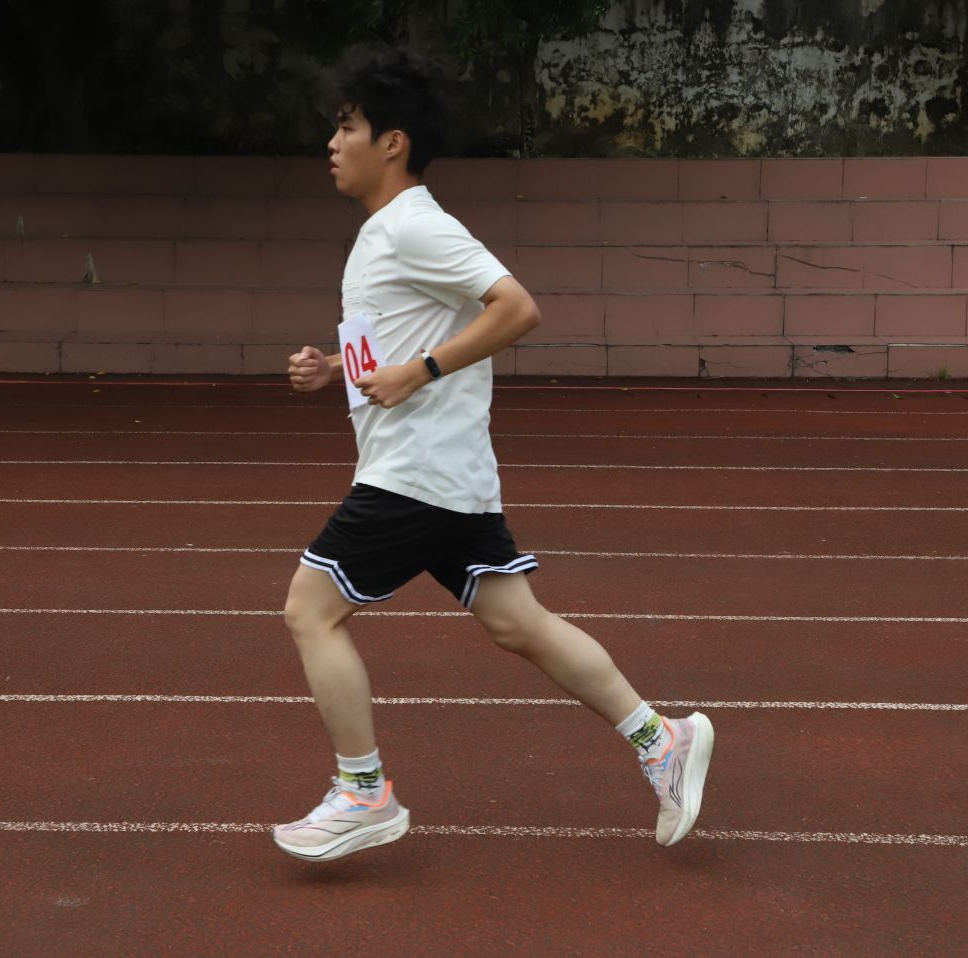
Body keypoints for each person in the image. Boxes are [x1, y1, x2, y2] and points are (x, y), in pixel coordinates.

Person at [273, 45, 713, 862]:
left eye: (347, 127)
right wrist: (334, 368)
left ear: (392, 142)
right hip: (447, 475)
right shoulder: (383, 232)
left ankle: (363, 793)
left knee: (310, 608)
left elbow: (517, 309)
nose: (331, 144)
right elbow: (399, 344)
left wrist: (421, 370)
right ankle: (664, 739)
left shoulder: (417, 225)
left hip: (415, 474)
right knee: (519, 624)